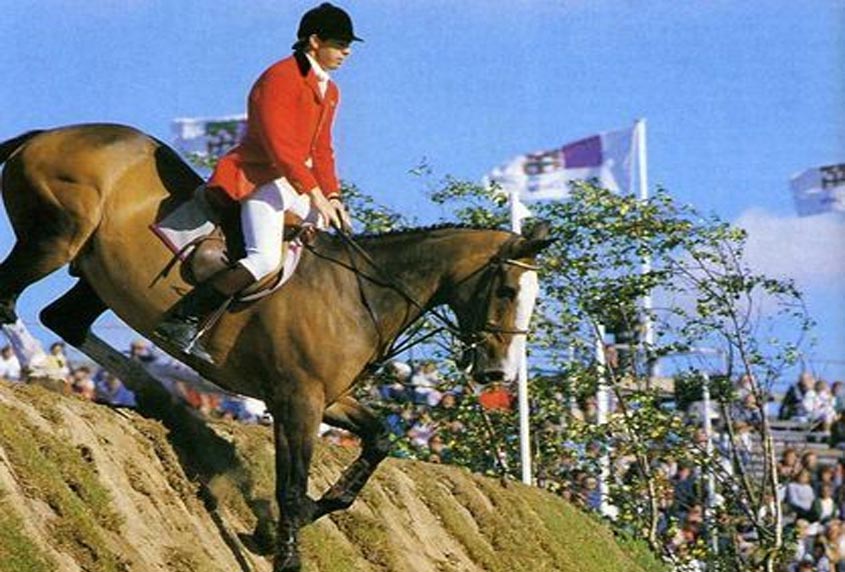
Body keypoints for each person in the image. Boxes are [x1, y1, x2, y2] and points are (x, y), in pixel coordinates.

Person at [154, 3, 361, 363]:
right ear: (314, 41)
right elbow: (281, 149)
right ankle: (182, 319)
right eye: (340, 43)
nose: (347, 51)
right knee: (264, 258)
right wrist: (315, 194)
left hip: (292, 184)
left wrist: (333, 196)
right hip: (258, 178)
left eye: (348, 45)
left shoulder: (330, 91)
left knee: (334, 232)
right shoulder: (280, 77)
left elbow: (323, 149)